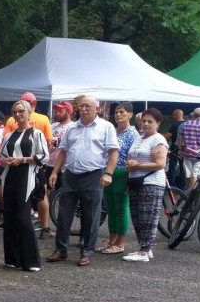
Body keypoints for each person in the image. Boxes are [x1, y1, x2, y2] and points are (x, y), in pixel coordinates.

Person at [46, 95, 118, 267]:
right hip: (70, 174)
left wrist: (108, 173)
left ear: (97, 109)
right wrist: (55, 172)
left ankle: (86, 251)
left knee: (91, 215)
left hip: (93, 175)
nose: (83, 109)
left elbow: (113, 152)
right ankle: (61, 249)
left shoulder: (106, 127)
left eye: (88, 106)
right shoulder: (72, 128)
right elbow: (63, 151)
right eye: (81, 106)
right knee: (63, 214)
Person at [0, 101, 48, 271]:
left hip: (26, 177)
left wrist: (23, 160)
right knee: (10, 217)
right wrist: (6, 161)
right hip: (10, 177)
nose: (18, 115)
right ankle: (13, 258)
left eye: (21, 111)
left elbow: (44, 156)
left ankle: (31, 260)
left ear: (29, 113)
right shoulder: (8, 136)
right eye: (15, 112)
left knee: (22, 217)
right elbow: (2, 157)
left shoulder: (36, 134)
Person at [123, 108, 168, 262]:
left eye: (150, 121)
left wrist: (138, 166)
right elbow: (130, 158)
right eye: (144, 121)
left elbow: (160, 164)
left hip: (151, 182)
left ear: (158, 124)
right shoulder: (139, 138)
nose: (146, 124)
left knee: (147, 216)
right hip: (136, 181)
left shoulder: (158, 139)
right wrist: (129, 163)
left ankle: (144, 251)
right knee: (136, 215)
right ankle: (144, 248)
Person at [98, 102, 139, 255]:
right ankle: (111, 241)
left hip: (123, 171)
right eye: (116, 112)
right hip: (108, 171)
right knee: (110, 208)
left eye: (122, 112)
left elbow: (134, 155)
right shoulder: (112, 131)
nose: (118, 115)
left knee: (121, 208)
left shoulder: (133, 134)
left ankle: (120, 243)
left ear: (130, 114)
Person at [40, 101, 75, 239]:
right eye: (56, 110)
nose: (56, 113)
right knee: (44, 195)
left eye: (60, 111)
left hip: (64, 167)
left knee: (64, 198)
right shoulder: (52, 126)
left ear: (68, 112)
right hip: (49, 164)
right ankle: (45, 226)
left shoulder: (72, 127)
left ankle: (63, 227)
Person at [164, 108, 186, 189]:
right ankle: (182, 184)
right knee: (182, 167)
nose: (172, 117)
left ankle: (172, 184)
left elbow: (167, 136)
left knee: (172, 166)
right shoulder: (187, 123)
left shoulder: (176, 125)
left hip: (175, 148)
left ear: (177, 115)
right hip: (185, 149)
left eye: (173, 115)